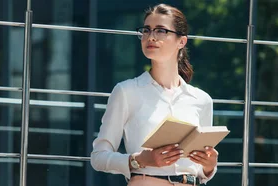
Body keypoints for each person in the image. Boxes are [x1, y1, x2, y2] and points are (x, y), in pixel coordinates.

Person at [90, 3, 219, 186]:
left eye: (160, 31)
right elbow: (98, 157)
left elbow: (200, 169)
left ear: (181, 41)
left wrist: (209, 167)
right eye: (146, 30)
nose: (151, 37)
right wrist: (140, 160)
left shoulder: (202, 100)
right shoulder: (126, 92)